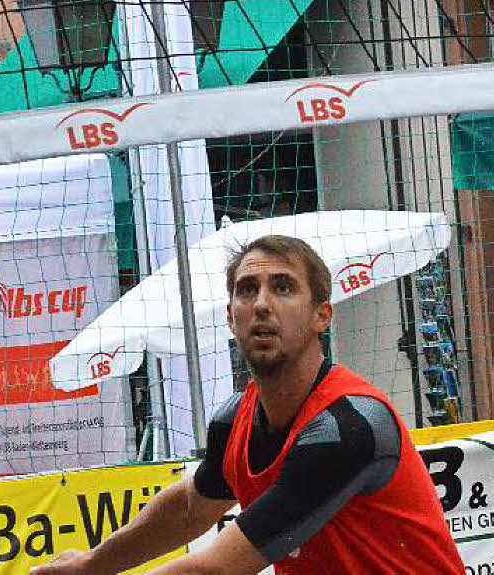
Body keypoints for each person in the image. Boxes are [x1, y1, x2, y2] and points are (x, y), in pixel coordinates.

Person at [31, 235, 463, 575]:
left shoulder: (347, 428)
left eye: (283, 288)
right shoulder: (234, 418)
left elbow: (218, 568)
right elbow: (188, 509)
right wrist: (91, 565)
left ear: (322, 316)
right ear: (229, 315)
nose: (261, 304)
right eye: (247, 289)